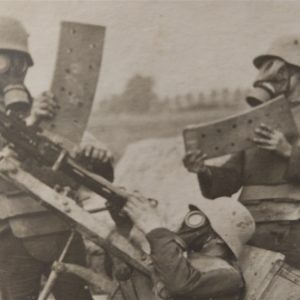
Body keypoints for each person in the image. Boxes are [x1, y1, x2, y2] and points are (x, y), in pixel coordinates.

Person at [0, 16, 114, 300]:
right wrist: (31, 123)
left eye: (18, 64)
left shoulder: (46, 109)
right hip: (10, 234)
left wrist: (95, 157)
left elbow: (98, 175)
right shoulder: (35, 114)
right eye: (5, 63)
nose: (11, 73)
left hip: (61, 225)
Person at [183, 35, 300, 269]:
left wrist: (288, 151)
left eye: (283, 72)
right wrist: (203, 170)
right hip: (251, 228)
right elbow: (231, 178)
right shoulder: (260, 118)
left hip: (294, 229)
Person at [123, 192, 255, 300]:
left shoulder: (229, 276)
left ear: (218, 239)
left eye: (197, 220)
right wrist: (125, 217)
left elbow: (181, 283)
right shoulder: (188, 258)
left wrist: (156, 230)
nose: (186, 224)